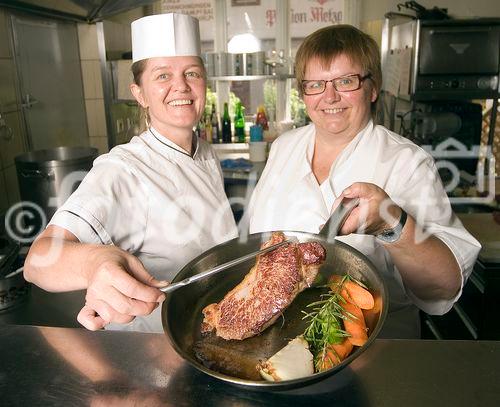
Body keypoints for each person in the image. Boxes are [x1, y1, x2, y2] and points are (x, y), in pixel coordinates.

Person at [247, 25, 481, 338]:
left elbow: (444, 285)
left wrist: (391, 225)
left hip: (379, 351)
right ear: (303, 94)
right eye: (316, 84)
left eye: (346, 81)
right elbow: (257, 247)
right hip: (274, 343)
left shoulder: (405, 161)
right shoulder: (283, 147)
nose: (330, 96)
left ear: (372, 88)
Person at [23, 13, 238, 332]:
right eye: (162, 76)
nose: (180, 86)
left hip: (208, 329)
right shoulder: (123, 168)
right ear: (139, 94)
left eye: (191, 72)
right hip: (152, 352)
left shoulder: (204, 152)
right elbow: (38, 261)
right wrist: (96, 262)